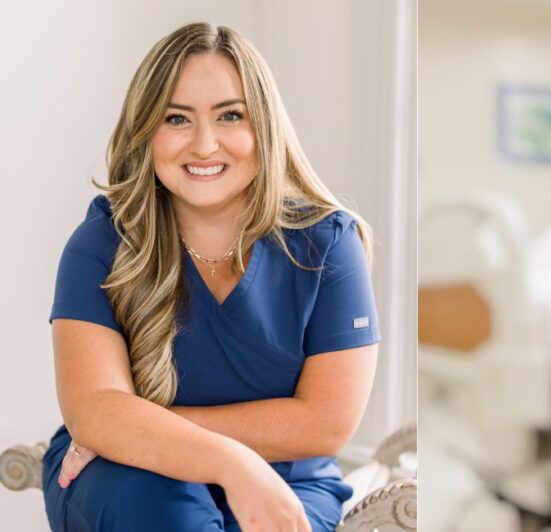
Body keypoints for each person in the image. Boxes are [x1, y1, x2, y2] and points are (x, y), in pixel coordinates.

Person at [43, 22, 380, 532]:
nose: (204, 144)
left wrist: (133, 428)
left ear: (262, 126)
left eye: (230, 115)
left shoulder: (329, 245)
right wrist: (231, 461)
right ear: (146, 131)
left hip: (285, 481)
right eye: (177, 118)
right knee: (170, 516)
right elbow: (95, 409)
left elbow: (326, 422)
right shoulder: (100, 245)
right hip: (126, 473)